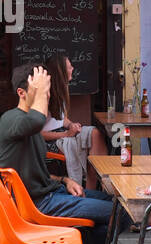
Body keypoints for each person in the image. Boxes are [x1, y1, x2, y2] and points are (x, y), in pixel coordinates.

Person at [0, 63, 123, 244]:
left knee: (114, 204)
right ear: (22, 93)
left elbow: (34, 172)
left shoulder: (28, 124)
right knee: (122, 213)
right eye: (41, 90)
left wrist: (64, 180)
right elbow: (36, 120)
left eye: (48, 89)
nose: (48, 94)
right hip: (40, 204)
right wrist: (41, 94)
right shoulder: (12, 119)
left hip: (52, 193)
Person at [40, 53, 107, 190]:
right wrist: (66, 134)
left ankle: (95, 184)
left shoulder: (61, 90)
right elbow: (37, 133)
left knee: (95, 133)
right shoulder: (44, 95)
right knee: (83, 146)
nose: (73, 69)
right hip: (48, 141)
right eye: (69, 67)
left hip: (62, 133)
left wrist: (71, 125)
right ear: (61, 72)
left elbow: (61, 118)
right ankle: (87, 188)